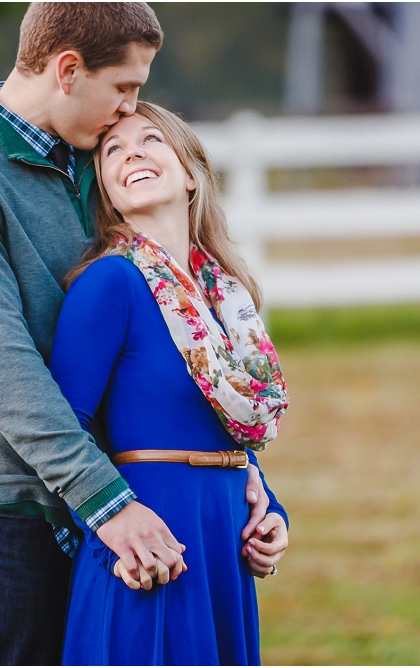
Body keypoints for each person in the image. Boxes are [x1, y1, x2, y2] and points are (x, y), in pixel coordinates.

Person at [0, 4, 286, 664]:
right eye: (125, 89)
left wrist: (243, 479)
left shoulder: (92, 168)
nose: (131, 112)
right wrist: (110, 507)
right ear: (69, 70)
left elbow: (164, 368)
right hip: (9, 511)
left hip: (122, 505)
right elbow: (2, 370)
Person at [51, 101, 288, 666]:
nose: (130, 152)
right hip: (148, 545)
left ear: (190, 174)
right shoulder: (112, 282)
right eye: (112, 150)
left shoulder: (226, 298)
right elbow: (61, 428)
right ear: (106, 191)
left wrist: (270, 512)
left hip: (222, 546)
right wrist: (113, 521)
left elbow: (225, 432)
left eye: (150, 140)